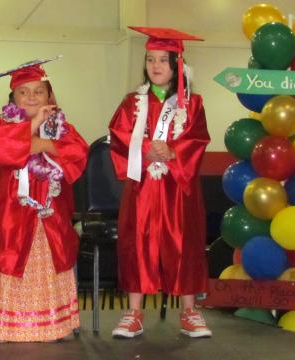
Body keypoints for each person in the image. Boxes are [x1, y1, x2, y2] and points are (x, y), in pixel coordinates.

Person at [0, 58, 88, 343]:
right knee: (9, 258)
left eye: (38, 91)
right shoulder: (1, 124)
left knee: (47, 259)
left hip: (49, 212)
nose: (32, 97)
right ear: (13, 97)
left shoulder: (61, 127)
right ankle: (7, 326)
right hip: (11, 210)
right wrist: (33, 125)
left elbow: (77, 155)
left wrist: (42, 143)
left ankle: (53, 325)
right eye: (24, 91)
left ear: (49, 96)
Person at [109, 27, 212, 338]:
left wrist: (172, 151)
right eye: (150, 59)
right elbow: (118, 136)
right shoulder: (132, 102)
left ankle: (190, 312)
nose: (155, 66)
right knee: (137, 242)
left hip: (178, 188)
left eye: (163, 61)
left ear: (178, 65)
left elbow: (197, 139)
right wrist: (145, 150)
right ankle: (134, 312)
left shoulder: (192, 104)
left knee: (184, 243)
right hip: (142, 187)